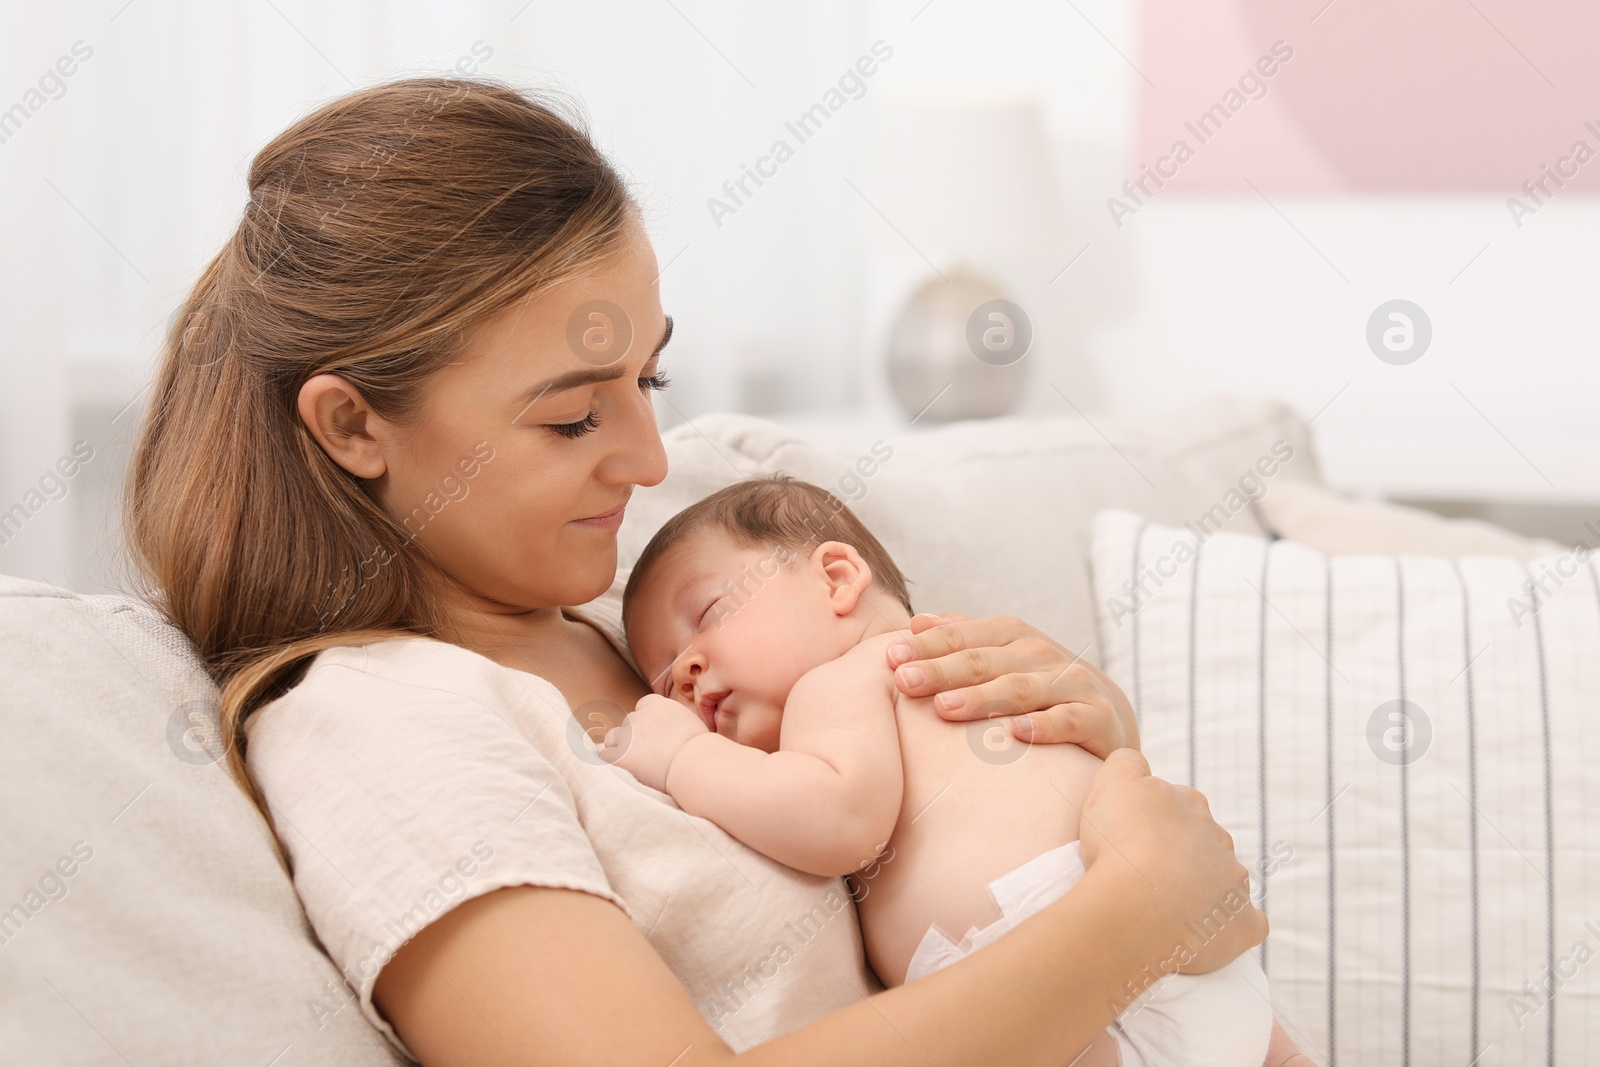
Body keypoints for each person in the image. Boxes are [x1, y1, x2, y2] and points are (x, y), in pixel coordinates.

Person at [123, 77, 1286, 1066]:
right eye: (573, 416)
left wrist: (1072, 750)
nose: (646, 458)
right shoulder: (380, 722)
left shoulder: (625, 631)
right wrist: (1136, 905)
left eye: (650, 382)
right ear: (352, 424)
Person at [614, 475, 1282, 1066]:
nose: (685, 672)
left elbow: (839, 820)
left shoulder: (843, 680)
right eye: (665, 678)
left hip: (1057, 949)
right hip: (1204, 955)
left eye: (705, 615)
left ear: (837, 578)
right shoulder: (977, 654)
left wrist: (681, 755)